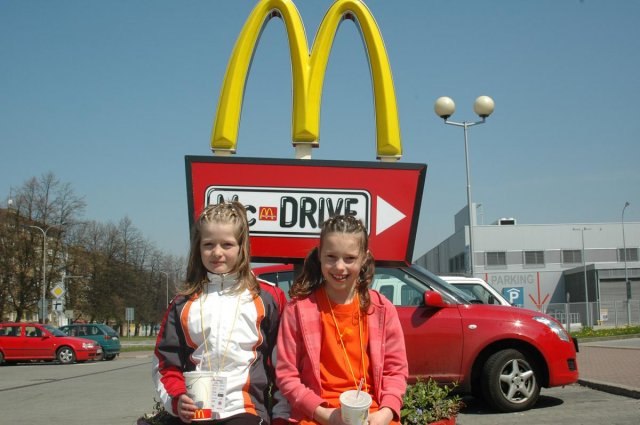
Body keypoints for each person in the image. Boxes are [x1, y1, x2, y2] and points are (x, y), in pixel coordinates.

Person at [153, 201, 289, 425]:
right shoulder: (182, 302)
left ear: (241, 246)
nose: (217, 253)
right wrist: (177, 400)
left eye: (227, 244)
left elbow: (285, 366)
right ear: (198, 247)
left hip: (246, 411)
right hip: (197, 413)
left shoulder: (268, 298)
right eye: (208, 244)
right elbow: (165, 364)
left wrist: (281, 417)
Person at [276, 215, 408, 425]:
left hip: (373, 414)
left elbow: (396, 371)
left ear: (364, 258)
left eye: (349, 258)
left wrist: (386, 413)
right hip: (317, 415)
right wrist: (326, 415)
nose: (339, 267)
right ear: (319, 255)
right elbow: (287, 376)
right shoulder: (298, 310)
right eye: (331, 257)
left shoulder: (382, 309)